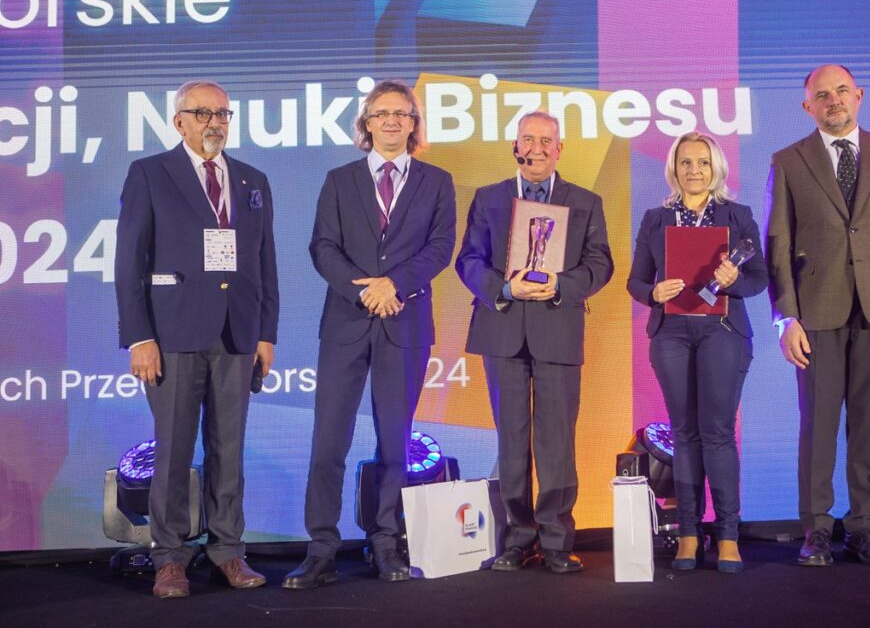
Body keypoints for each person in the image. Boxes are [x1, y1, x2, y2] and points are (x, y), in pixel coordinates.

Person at [283, 80, 456, 587]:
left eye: (401, 114)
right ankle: (321, 548)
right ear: (366, 124)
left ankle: (385, 543)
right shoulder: (340, 180)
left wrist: (393, 284)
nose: (391, 122)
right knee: (328, 439)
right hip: (346, 324)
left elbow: (441, 246)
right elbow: (323, 247)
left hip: (405, 324)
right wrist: (365, 291)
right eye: (381, 114)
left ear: (413, 123)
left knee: (394, 443)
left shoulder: (437, 181)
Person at [764, 64, 870, 567]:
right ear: (807, 107)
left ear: (858, 96)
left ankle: (863, 526)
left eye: (841, 91)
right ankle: (816, 530)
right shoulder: (788, 161)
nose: (833, 100)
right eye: (822, 94)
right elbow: (779, 246)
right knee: (816, 425)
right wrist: (784, 318)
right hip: (815, 312)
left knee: (868, 421)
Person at [114, 80, 279, 598]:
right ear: (178, 120)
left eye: (223, 114)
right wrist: (139, 335)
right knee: (174, 450)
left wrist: (266, 334)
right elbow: (128, 263)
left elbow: (264, 264)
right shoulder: (150, 174)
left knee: (229, 450)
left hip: (237, 333)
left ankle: (229, 550)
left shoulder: (253, 179)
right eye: (203, 113)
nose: (215, 123)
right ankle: (169, 558)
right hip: (172, 332)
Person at [456, 111, 613, 574]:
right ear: (515, 146)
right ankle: (518, 539)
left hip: (558, 329)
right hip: (501, 328)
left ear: (560, 149)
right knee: (512, 440)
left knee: (557, 442)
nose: (538, 148)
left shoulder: (585, 201)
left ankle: (558, 539)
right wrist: (505, 288)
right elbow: (468, 260)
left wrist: (562, 285)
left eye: (547, 140)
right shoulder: (488, 199)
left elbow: (599, 263)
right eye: (529, 139)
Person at [626, 131, 767, 573]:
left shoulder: (737, 215)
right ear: (674, 169)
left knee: (717, 432)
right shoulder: (655, 218)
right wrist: (654, 292)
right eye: (685, 162)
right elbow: (635, 282)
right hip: (671, 332)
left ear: (716, 168)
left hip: (721, 330)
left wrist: (732, 281)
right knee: (683, 433)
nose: (694, 170)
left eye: (702, 162)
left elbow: (760, 277)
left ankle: (727, 534)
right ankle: (689, 533)